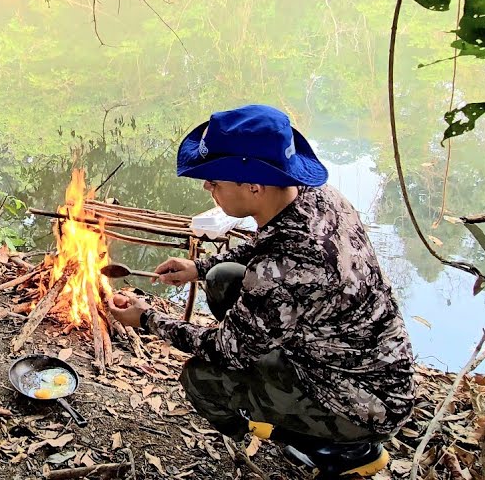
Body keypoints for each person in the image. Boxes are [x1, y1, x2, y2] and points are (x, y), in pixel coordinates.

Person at [106, 105, 414, 478]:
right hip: (361, 361)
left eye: (215, 181)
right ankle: (312, 421)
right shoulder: (313, 195)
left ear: (253, 186)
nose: (207, 187)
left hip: (362, 403)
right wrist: (199, 267)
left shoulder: (285, 267)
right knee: (222, 277)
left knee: (201, 380)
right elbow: (265, 244)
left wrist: (146, 318)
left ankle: (337, 448)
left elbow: (223, 349)